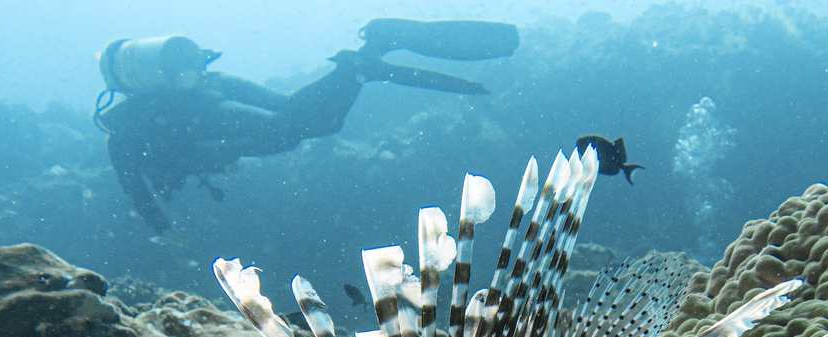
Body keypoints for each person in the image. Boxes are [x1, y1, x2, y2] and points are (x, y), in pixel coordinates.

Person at [94, 20, 519, 234]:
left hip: (205, 110)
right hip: (212, 93)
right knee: (306, 118)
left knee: (292, 129)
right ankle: (361, 63)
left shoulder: (128, 132)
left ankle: (357, 66)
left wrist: (162, 230)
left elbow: (136, 190)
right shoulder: (154, 113)